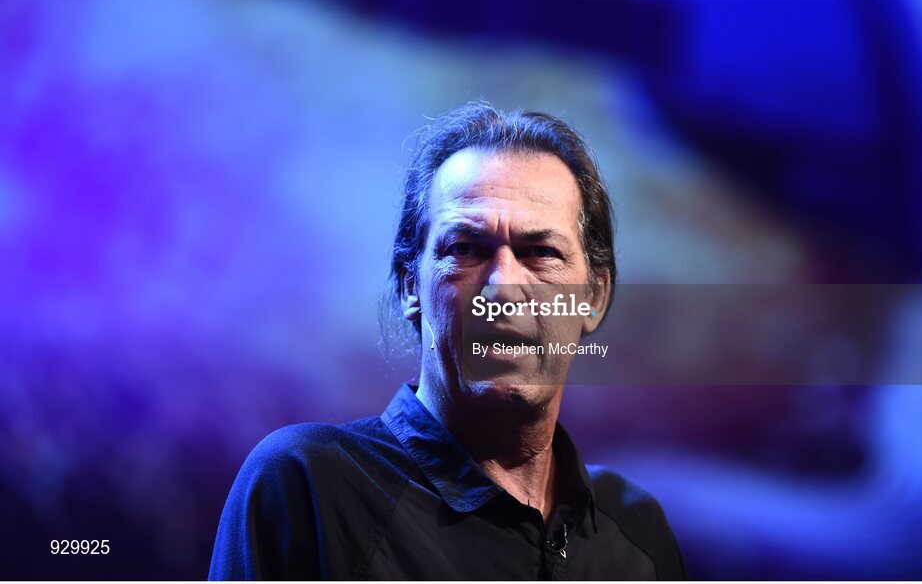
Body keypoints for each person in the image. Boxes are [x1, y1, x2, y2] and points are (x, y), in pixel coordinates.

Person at [208, 102, 687, 580]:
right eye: (465, 248)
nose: (503, 286)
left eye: (541, 252)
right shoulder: (310, 487)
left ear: (594, 297)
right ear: (409, 286)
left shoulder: (637, 534)